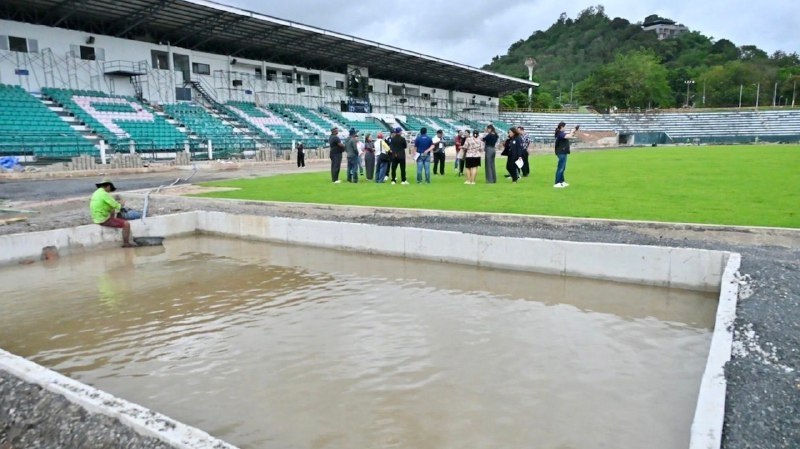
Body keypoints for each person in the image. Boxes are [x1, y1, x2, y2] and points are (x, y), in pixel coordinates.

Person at [90, 177, 136, 247]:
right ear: (108, 186)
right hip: (102, 219)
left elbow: (111, 205)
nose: (109, 191)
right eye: (110, 189)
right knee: (126, 224)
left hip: (96, 218)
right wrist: (121, 204)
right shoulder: (104, 194)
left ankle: (114, 220)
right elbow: (116, 205)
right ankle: (126, 243)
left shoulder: (96, 193)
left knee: (112, 209)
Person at [554, 121, 578, 188]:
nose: (565, 128)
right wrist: (571, 131)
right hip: (561, 152)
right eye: (565, 126)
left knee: (563, 167)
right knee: (560, 167)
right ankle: (557, 182)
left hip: (563, 152)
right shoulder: (560, 133)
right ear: (562, 127)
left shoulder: (561, 133)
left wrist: (574, 131)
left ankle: (562, 181)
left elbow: (570, 136)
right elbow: (569, 136)